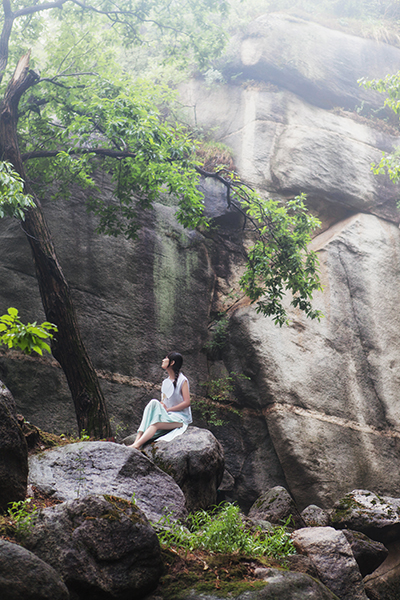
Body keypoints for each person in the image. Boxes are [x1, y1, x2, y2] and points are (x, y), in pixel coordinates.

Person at [129, 351, 192, 450]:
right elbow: (164, 401)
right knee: (154, 402)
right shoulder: (165, 382)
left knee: (155, 424)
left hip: (180, 419)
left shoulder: (182, 380)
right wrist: (162, 406)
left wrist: (169, 409)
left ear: (172, 363)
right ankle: (137, 440)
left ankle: (136, 446)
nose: (163, 360)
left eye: (166, 358)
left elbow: (187, 402)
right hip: (168, 416)